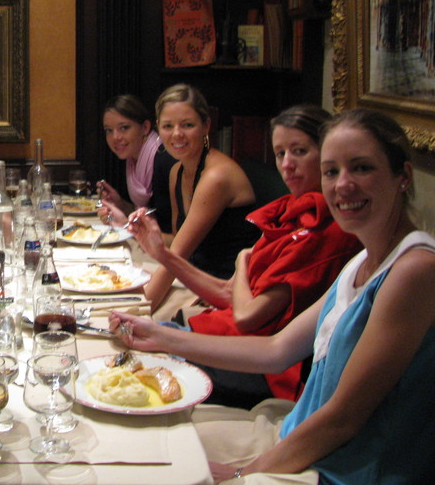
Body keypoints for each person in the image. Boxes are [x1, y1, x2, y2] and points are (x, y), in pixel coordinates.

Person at [112, 108, 435, 484]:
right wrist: (160, 336)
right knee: (134, 445)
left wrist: (240, 473)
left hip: (343, 471)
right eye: (331, 171)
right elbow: (276, 349)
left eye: (361, 168)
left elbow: (343, 419)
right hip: (303, 439)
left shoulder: (415, 270)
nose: (342, 185)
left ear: (403, 176)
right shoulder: (363, 260)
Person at [124, 105, 362, 407]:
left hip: (258, 370)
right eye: (280, 154)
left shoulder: (327, 232)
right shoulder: (290, 211)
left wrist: (242, 262)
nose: (287, 164)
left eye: (300, 151)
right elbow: (229, 294)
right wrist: (161, 253)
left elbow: (248, 318)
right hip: (221, 333)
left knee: (124, 372)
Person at [141, 84, 261, 313]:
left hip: (228, 293)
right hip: (195, 279)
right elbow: (177, 241)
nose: (177, 134)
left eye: (187, 125)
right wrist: (137, 232)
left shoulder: (216, 177)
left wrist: (138, 311)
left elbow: (178, 255)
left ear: (206, 126)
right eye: (168, 126)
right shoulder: (177, 172)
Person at [95, 94, 172, 232]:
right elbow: (139, 214)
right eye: (109, 130)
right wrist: (120, 204)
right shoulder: (132, 158)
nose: (115, 137)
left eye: (124, 128)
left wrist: (126, 224)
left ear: (145, 127)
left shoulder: (163, 160)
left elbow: (169, 231)